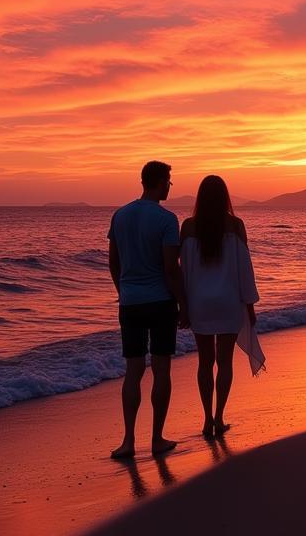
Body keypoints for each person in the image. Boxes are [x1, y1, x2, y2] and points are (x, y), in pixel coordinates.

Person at [107, 160, 187, 458]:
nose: (170, 186)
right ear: (159, 181)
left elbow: (114, 262)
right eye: (169, 181)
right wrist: (184, 303)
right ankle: (156, 438)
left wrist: (122, 290)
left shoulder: (121, 215)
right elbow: (171, 268)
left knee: (134, 370)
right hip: (160, 302)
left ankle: (128, 441)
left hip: (130, 303)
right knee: (161, 368)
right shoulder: (167, 219)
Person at [180, 174, 262, 440]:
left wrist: (184, 305)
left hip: (200, 303)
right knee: (225, 362)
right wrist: (249, 305)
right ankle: (218, 417)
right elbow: (244, 270)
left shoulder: (189, 227)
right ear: (225, 196)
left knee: (205, 362)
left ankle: (205, 420)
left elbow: (185, 271)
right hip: (228, 302)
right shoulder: (236, 225)